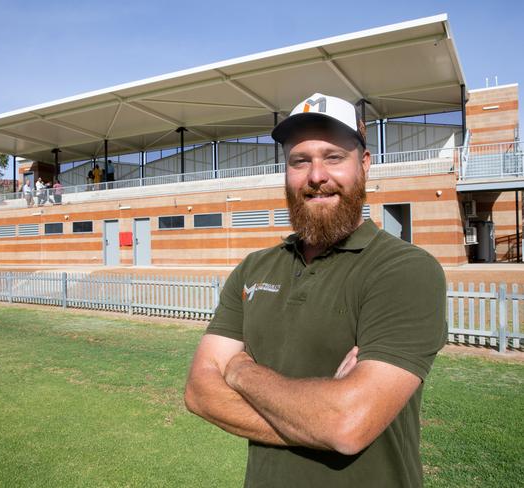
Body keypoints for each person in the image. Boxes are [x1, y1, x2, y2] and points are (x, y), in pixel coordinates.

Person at [184, 93, 447, 487]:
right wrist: (320, 424)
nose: (316, 176)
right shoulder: (254, 269)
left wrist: (241, 372)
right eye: (299, 160)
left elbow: (346, 425)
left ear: (365, 165)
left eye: (334, 157)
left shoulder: (404, 270)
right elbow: (199, 393)